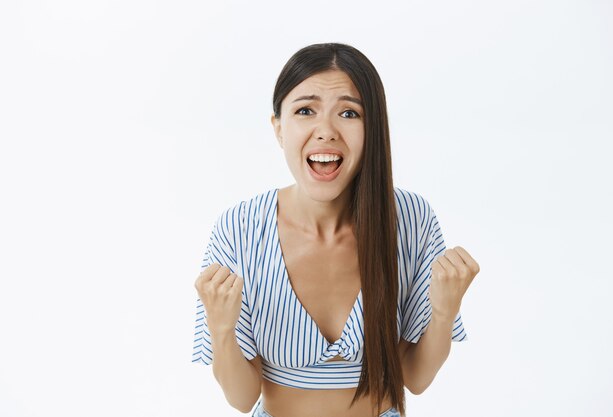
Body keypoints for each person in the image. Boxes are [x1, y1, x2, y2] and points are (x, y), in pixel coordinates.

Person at [192, 42, 480, 417]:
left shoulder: (410, 218)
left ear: (373, 127)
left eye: (348, 112)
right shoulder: (240, 228)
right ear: (279, 128)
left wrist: (443, 312)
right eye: (305, 110)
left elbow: (415, 377)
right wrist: (222, 330)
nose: (325, 131)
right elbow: (242, 398)